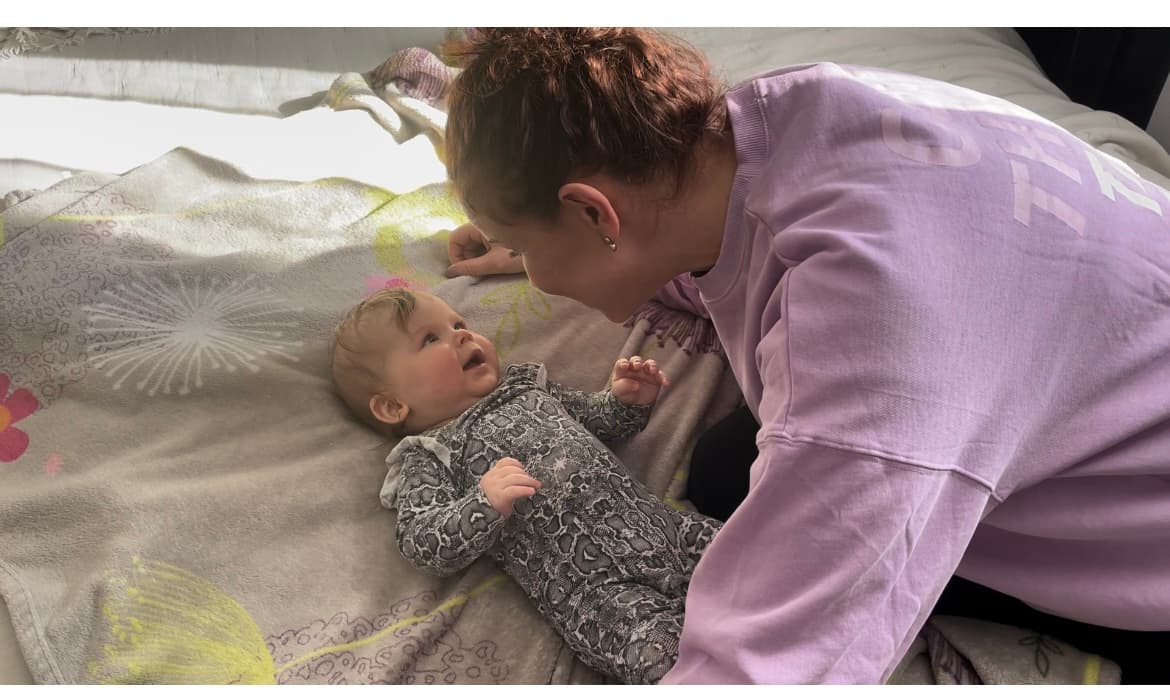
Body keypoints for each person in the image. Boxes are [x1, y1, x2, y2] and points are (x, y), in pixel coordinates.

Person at [438, 28, 1170, 683]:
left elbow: (771, 667)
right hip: (1088, 348)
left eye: (533, 247)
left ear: (595, 213)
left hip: (1141, 539)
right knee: (733, 467)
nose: (533, 272)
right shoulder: (780, 121)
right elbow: (732, 255)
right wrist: (548, 248)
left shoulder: (882, 345)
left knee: (759, 527)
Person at [330, 288, 722, 684]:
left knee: (758, 554)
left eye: (458, 325)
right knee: (673, 661)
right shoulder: (429, 453)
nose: (462, 335)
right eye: (430, 339)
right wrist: (483, 504)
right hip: (597, 592)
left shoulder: (526, 387)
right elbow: (421, 540)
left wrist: (626, 401)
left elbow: (598, 421)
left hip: (663, 530)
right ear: (393, 406)